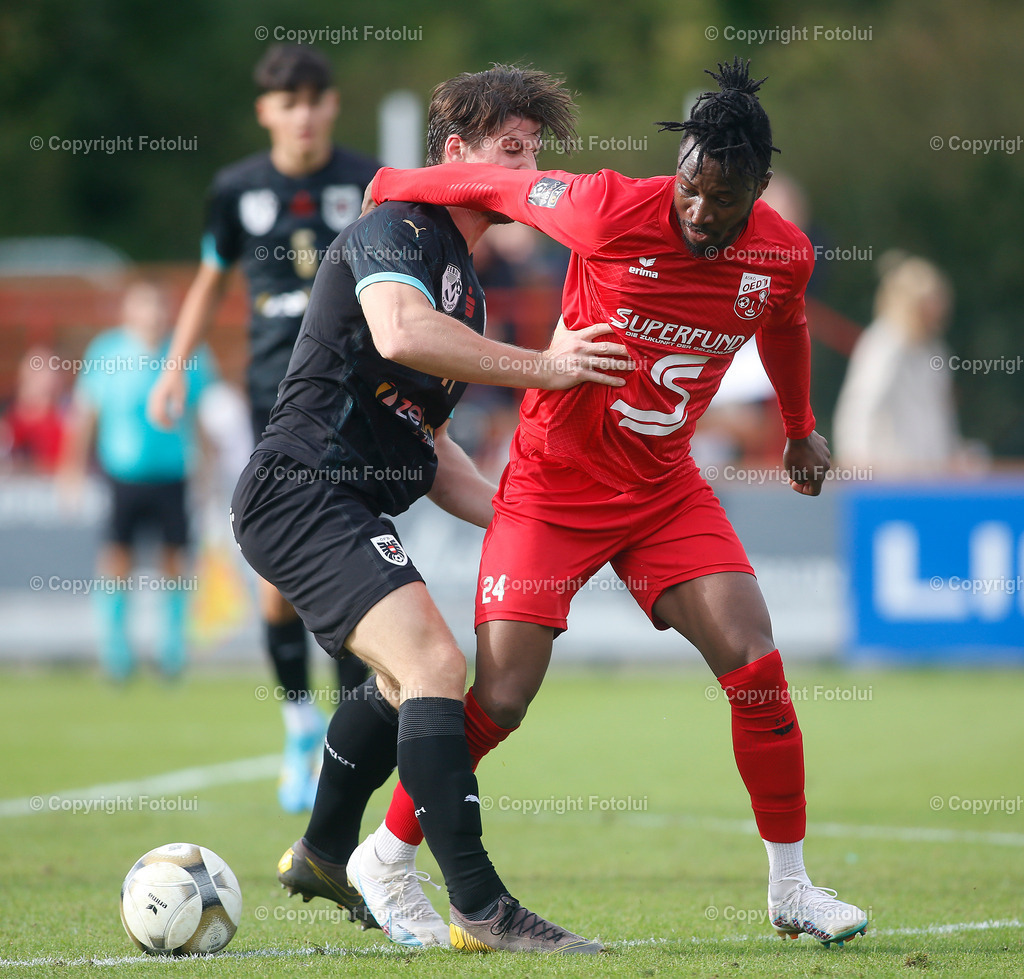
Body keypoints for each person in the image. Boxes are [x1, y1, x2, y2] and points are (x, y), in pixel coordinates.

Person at [346, 56, 869, 948]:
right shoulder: (609, 207)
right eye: (693, 189)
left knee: (753, 657)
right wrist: (395, 183)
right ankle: (384, 855)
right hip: (552, 482)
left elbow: (783, 320)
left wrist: (798, 426)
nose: (701, 214)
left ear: (761, 188)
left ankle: (792, 885)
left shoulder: (782, 252)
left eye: (724, 199)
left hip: (663, 486)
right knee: (503, 695)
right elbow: (489, 183)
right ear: (682, 166)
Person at [232, 65, 631, 952]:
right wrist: (548, 366)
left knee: (399, 679)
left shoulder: (467, 279)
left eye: (537, 154)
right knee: (437, 664)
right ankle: (482, 906)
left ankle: (327, 849)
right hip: (302, 491)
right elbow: (399, 334)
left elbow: (431, 446)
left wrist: (530, 526)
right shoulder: (397, 226)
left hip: (343, 500)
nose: (532, 173)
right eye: (513, 152)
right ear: (458, 156)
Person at [147, 44, 379, 812]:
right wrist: (175, 367)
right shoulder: (236, 190)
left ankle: (353, 740)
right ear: (266, 111)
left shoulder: (369, 183)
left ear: (332, 105)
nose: (304, 113)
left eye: (316, 98)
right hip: (272, 405)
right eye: (289, 101)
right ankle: (298, 724)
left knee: (352, 574)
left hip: (357, 404)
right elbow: (211, 281)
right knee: (277, 583)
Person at [61, 281, 214, 680]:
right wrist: (71, 469)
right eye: (144, 308)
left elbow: (198, 419)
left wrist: (206, 473)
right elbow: (85, 417)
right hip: (122, 476)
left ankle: (173, 650)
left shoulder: (187, 353)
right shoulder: (107, 352)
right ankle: (116, 653)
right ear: (129, 314)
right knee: (116, 559)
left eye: (159, 308)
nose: (153, 316)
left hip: (172, 475)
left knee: (175, 561)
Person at [833, 251, 980, 475]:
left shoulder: (934, 349)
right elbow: (859, 410)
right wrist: (858, 467)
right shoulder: (883, 345)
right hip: (890, 479)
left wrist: (954, 455)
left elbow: (939, 417)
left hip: (929, 477)